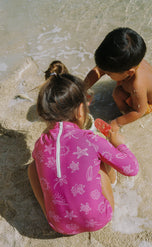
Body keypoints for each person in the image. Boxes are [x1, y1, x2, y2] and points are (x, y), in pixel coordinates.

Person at [28, 61, 139, 235]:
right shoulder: (91, 139)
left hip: (59, 226)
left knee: (32, 168)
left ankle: (48, 212)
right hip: (99, 219)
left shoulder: (41, 143)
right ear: (81, 111)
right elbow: (131, 168)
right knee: (100, 162)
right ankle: (112, 183)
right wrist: (119, 144)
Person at [84, 27, 152, 131]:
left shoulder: (137, 85)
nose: (104, 74)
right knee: (119, 91)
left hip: (148, 103)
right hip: (130, 85)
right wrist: (82, 89)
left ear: (129, 73)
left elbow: (139, 111)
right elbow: (98, 71)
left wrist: (117, 122)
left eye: (108, 73)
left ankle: (124, 112)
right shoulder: (126, 61)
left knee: (118, 94)